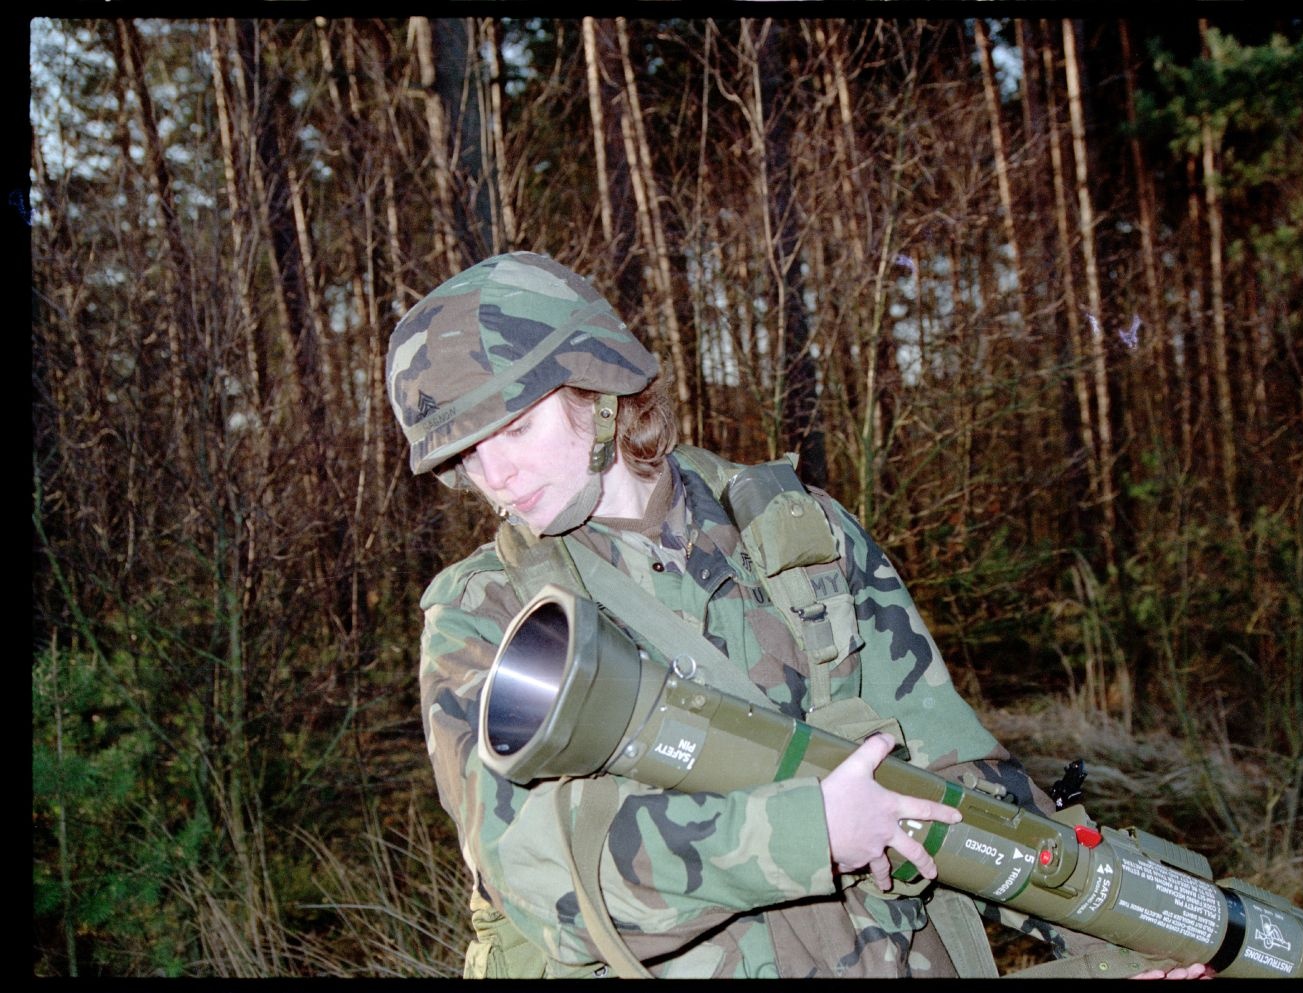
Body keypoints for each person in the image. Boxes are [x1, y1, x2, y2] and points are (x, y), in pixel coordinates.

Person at [386, 251, 1210, 979]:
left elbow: (961, 780)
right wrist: (806, 832)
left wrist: (1120, 940)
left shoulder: (794, 532)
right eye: (465, 454)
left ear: (595, 384)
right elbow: (548, 883)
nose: (493, 474)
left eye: (516, 427)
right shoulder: (485, 617)